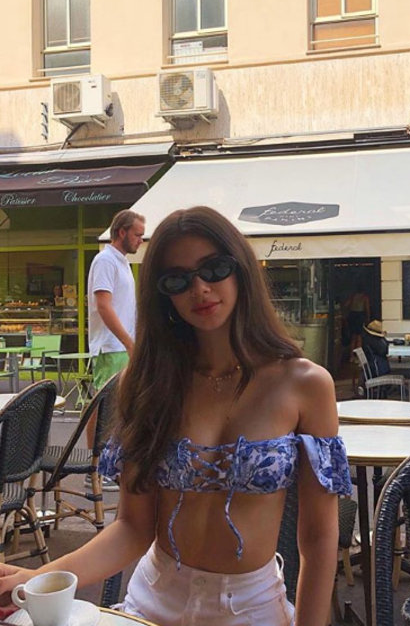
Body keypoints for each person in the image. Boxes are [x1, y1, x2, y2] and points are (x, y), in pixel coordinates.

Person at [0, 206, 352, 626]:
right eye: (177, 279)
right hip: (151, 604)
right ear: (162, 294)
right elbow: (133, 527)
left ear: (240, 269)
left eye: (214, 268)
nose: (199, 289)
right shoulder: (147, 381)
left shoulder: (305, 384)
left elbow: (318, 538)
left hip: (252, 610)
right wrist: (37, 579)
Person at [85, 209, 145, 490]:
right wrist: (128, 342)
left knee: (118, 408)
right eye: (137, 234)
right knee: (104, 407)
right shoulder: (105, 260)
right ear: (122, 232)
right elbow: (103, 305)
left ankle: (107, 466)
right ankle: (94, 470)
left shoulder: (121, 262)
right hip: (111, 347)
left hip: (119, 346)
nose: (140, 240)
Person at [344, 284, 371, 357]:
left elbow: (346, 305)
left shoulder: (353, 296)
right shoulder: (365, 297)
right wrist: (368, 318)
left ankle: (351, 356)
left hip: (352, 315)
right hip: (360, 316)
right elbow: (367, 309)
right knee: (359, 338)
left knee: (353, 337)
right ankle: (359, 357)